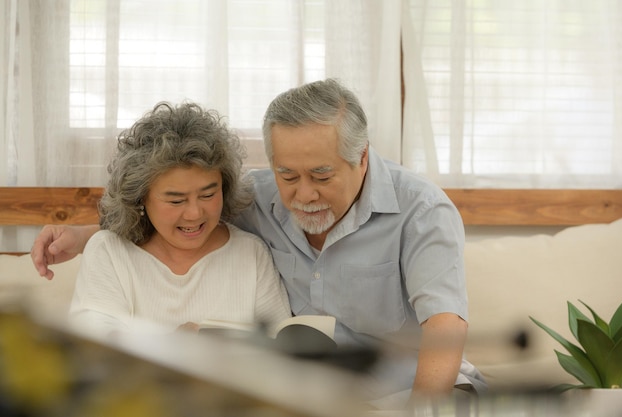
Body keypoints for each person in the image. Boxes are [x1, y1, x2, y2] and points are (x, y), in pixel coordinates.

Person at [31, 79, 486, 406]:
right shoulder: (258, 195)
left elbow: (445, 326)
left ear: (362, 156)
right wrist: (86, 235)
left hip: (409, 391)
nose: (303, 194)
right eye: (287, 174)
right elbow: (176, 212)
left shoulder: (422, 212)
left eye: (321, 175)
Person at [66, 101, 291, 337]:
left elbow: (284, 350)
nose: (194, 213)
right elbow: (95, 351)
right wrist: (174, 349)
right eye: (176, 201)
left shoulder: (251, 253)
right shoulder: (109, 252)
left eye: (208, 194)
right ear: (140, 198)